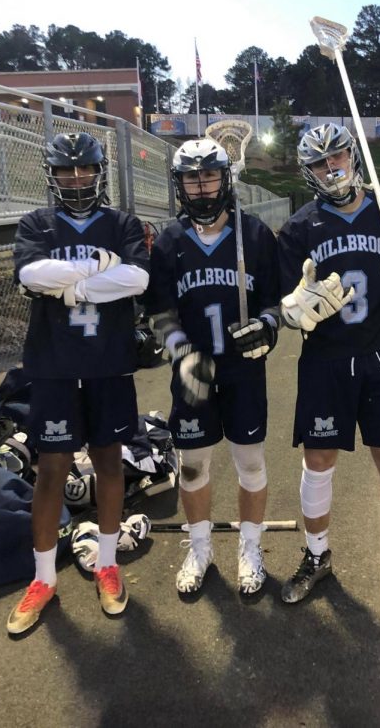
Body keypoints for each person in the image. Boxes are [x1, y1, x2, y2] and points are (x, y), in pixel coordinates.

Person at [278, 122, 380, 618]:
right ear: (309, 171)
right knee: (318, 463)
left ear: (353, 154)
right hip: (325, 360)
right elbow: (284, 307)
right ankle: (317, 553)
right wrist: (297, 306)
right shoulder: (301, 227)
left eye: (339, 155)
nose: (333, 167)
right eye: (322, 162)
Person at [8, 132, 150, 635]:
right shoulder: (36, 223)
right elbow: (30, 274)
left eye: (85, 170)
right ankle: (44, 578)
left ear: (98, 172)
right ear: (52, 175)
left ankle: (107, 564)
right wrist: (99, 269)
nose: (76, 178)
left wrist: (73, 286)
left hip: (108, 362)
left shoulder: (122, 223)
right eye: (67, 171)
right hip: (53, 365)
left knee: (110, 461)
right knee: (51, 470)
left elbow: (137, 280)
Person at [145, 138, 280, 598]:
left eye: (208, 177)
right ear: (180, 184)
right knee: (193, 466)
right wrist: (181, 352)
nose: (201, 188)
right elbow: (159, 314)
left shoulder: (255, 234)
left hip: (243, 368)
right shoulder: (169, 242)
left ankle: (250, 547)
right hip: (192, 372)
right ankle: (199, 547)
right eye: (191, 178)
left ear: (225, 178)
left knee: (250, 461)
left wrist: (266, 326)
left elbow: (275, 302)